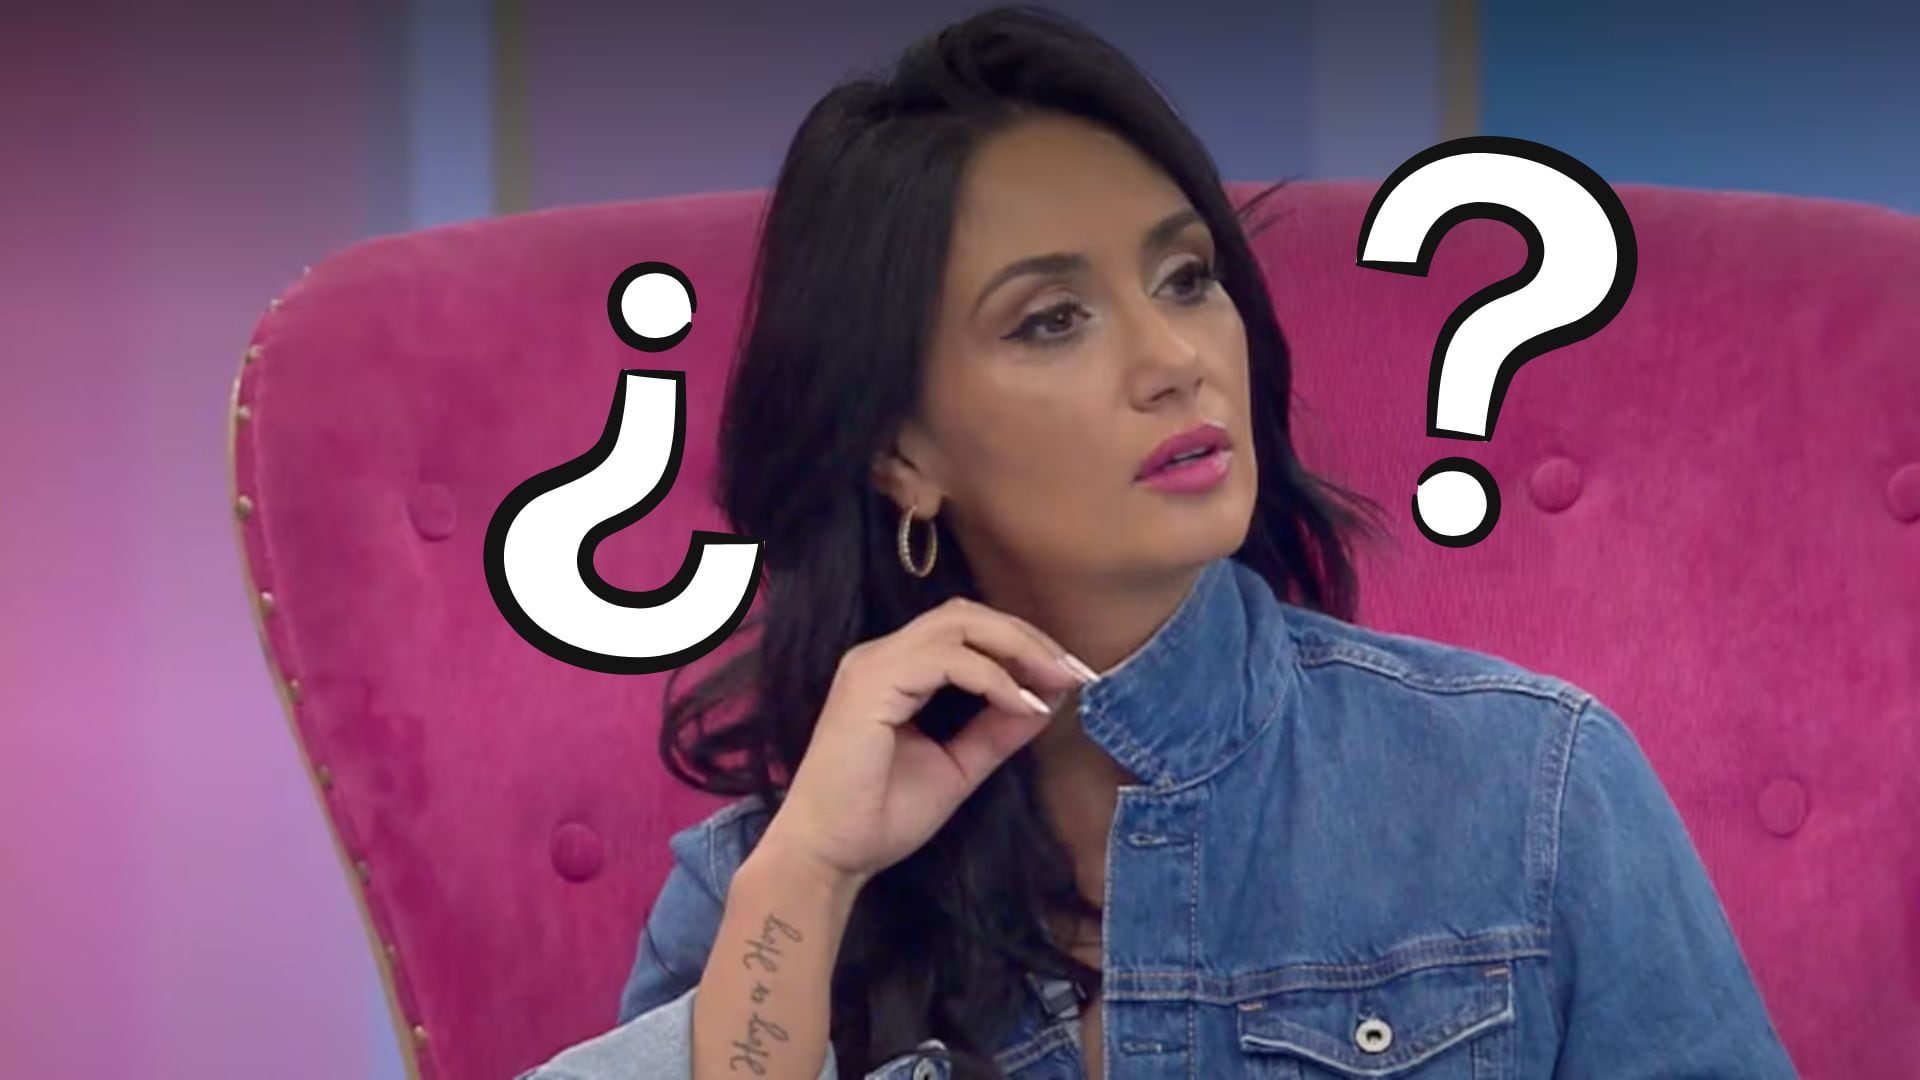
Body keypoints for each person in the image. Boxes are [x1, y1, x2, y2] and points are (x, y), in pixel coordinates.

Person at [517, 5, 1800, 1078]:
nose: (1175, 357)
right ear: (901, 452)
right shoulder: (765, 886)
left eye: (1187, 279)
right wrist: (809, 877)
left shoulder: (1531, 790)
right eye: (1052, 319)